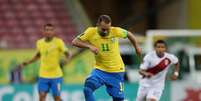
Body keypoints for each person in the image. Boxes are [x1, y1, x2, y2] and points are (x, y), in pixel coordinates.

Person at [72, 15, 141, 101]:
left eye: (108, 29)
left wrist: (136, 47)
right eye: (103, 29)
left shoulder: (115, 31)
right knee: (87, 89)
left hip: (116, 72)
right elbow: (75, 42)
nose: (106, 32)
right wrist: (89, 46)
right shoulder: (91, 32)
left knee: (118, 99)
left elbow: (129, 34)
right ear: (97, 25)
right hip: (100, 70)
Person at [17, 23, 71, 101]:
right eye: (47, 30)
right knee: (42, 97)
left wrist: (67, 59)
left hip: (56, 76)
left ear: (53, 32)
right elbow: (38, 55)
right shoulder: (39, 43)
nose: (49, 32)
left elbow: (67, 53)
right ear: (43, 31)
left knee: (57, 98)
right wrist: (27, 62)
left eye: (51, 30)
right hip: (43, 75)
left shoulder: (58, 42)